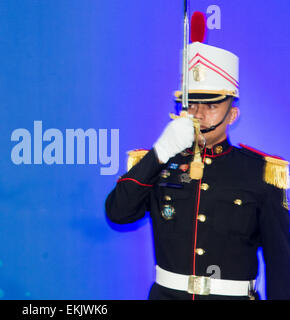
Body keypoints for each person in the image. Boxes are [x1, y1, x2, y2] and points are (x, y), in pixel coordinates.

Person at [105, 41, 290, 300]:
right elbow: (118, 213)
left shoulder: (260, 172)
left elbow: (281, 261)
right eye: (191, 104)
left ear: (232, 114)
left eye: (212, 106)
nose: (199, 114)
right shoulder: (158, 163)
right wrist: (159, 153)